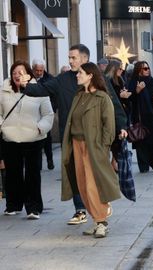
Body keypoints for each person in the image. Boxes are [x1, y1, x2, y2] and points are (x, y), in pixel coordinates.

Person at [19, 44, 127, 226]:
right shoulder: (63, 79)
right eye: (69, 58)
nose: (70, 61)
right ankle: (81, 209)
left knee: (94, 175)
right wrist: (26, 85)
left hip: (95, 138)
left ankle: (100, 208)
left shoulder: (98, 79)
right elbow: (42, 90)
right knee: (76, 175)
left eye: (73, 58)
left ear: (84, 59)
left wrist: (122, 126)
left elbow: (113, 104)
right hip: (71, 138)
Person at [61, 62, 120, 238]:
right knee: (81, 185)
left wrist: (103, 147)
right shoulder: (78, 96)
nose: (77, 75)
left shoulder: (102, 98)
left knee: (93, 185)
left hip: (94, 147)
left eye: (80, 72)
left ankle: (102, 221)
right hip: (76, 145)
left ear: (90, 75)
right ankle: (96, 219)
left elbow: (109, 126)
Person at [0, 60, 54, 218]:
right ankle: (13, 205)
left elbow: (48, 114)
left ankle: (33, 208)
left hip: (33, 138)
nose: (17, 75)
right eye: (14, 73)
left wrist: (40, 128)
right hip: (10, 138)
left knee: (33, 174)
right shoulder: (4, 90)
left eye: (21, 72)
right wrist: (3, 126)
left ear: (28, 75)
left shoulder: (39, 90)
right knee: (12, 174)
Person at [127, 61, 153, 173]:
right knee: (141, 141)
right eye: (144, 68)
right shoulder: (133, 82)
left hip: (152, 115)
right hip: (140, 116)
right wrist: (137, 91)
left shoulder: (152, 81)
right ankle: (143, 165)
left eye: (148, 68)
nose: (147, 70)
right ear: (139, 70)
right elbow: (129, 98)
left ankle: (152, 161)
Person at [104, 59, 132, 171]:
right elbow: (112, 97)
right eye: (120, 68)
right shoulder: (109, 81)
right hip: (115, 113)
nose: (122, 70)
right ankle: (114, 161)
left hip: (123, 111)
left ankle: (115, 160)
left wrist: (125, 95)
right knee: (117, 138)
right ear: (114, 69)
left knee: (120, 139)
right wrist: (121, 96)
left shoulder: (120, 80)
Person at [32, 58, 56, 170]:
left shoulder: (50, 79)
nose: (39, 72)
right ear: (33, 69)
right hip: (32, 113)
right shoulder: (28, 79)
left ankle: (49, 159)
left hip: (46, 113)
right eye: (37, 70)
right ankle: (38, 164)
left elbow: (54, 96)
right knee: (36, 139)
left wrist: (53, 110)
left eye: (41, 70)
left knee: (47, 138)